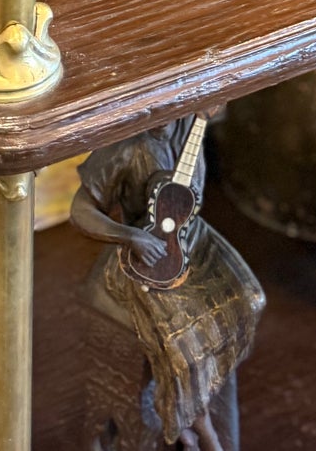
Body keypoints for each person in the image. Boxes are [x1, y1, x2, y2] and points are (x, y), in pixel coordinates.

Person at [71, 119, 264, 451]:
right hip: (144, 251)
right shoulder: (125, 147)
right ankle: (197, 427)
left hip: (191, 239)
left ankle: (193, 412)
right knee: (183, 340)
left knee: (249, 298)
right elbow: (79, 211)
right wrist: (131, 237)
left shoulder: (191, 128)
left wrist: (209, 109)